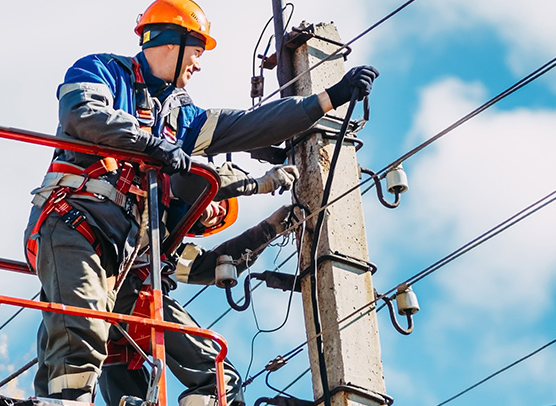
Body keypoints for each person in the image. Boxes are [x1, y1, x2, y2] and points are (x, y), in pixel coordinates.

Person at [23, 0, 378, 403]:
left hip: (125, 260)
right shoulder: (101, 71)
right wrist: (152, 145)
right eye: (196, 52)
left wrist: (330, 98)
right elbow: (82, 115)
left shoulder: (183, 117)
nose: (199, 64)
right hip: (76, 222)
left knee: (204, 366)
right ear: (171, 43)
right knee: (83, 328)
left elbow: (249, 125)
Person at [99, 163, 298, 406]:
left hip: (108, 320)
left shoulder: (168, 248)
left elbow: (211, 266)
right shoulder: (146, 209)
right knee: (222, 380)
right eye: (216, 204)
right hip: (128, 298)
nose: (215, 212)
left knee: (128, 392)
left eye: (219, 216)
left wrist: (268, 230)